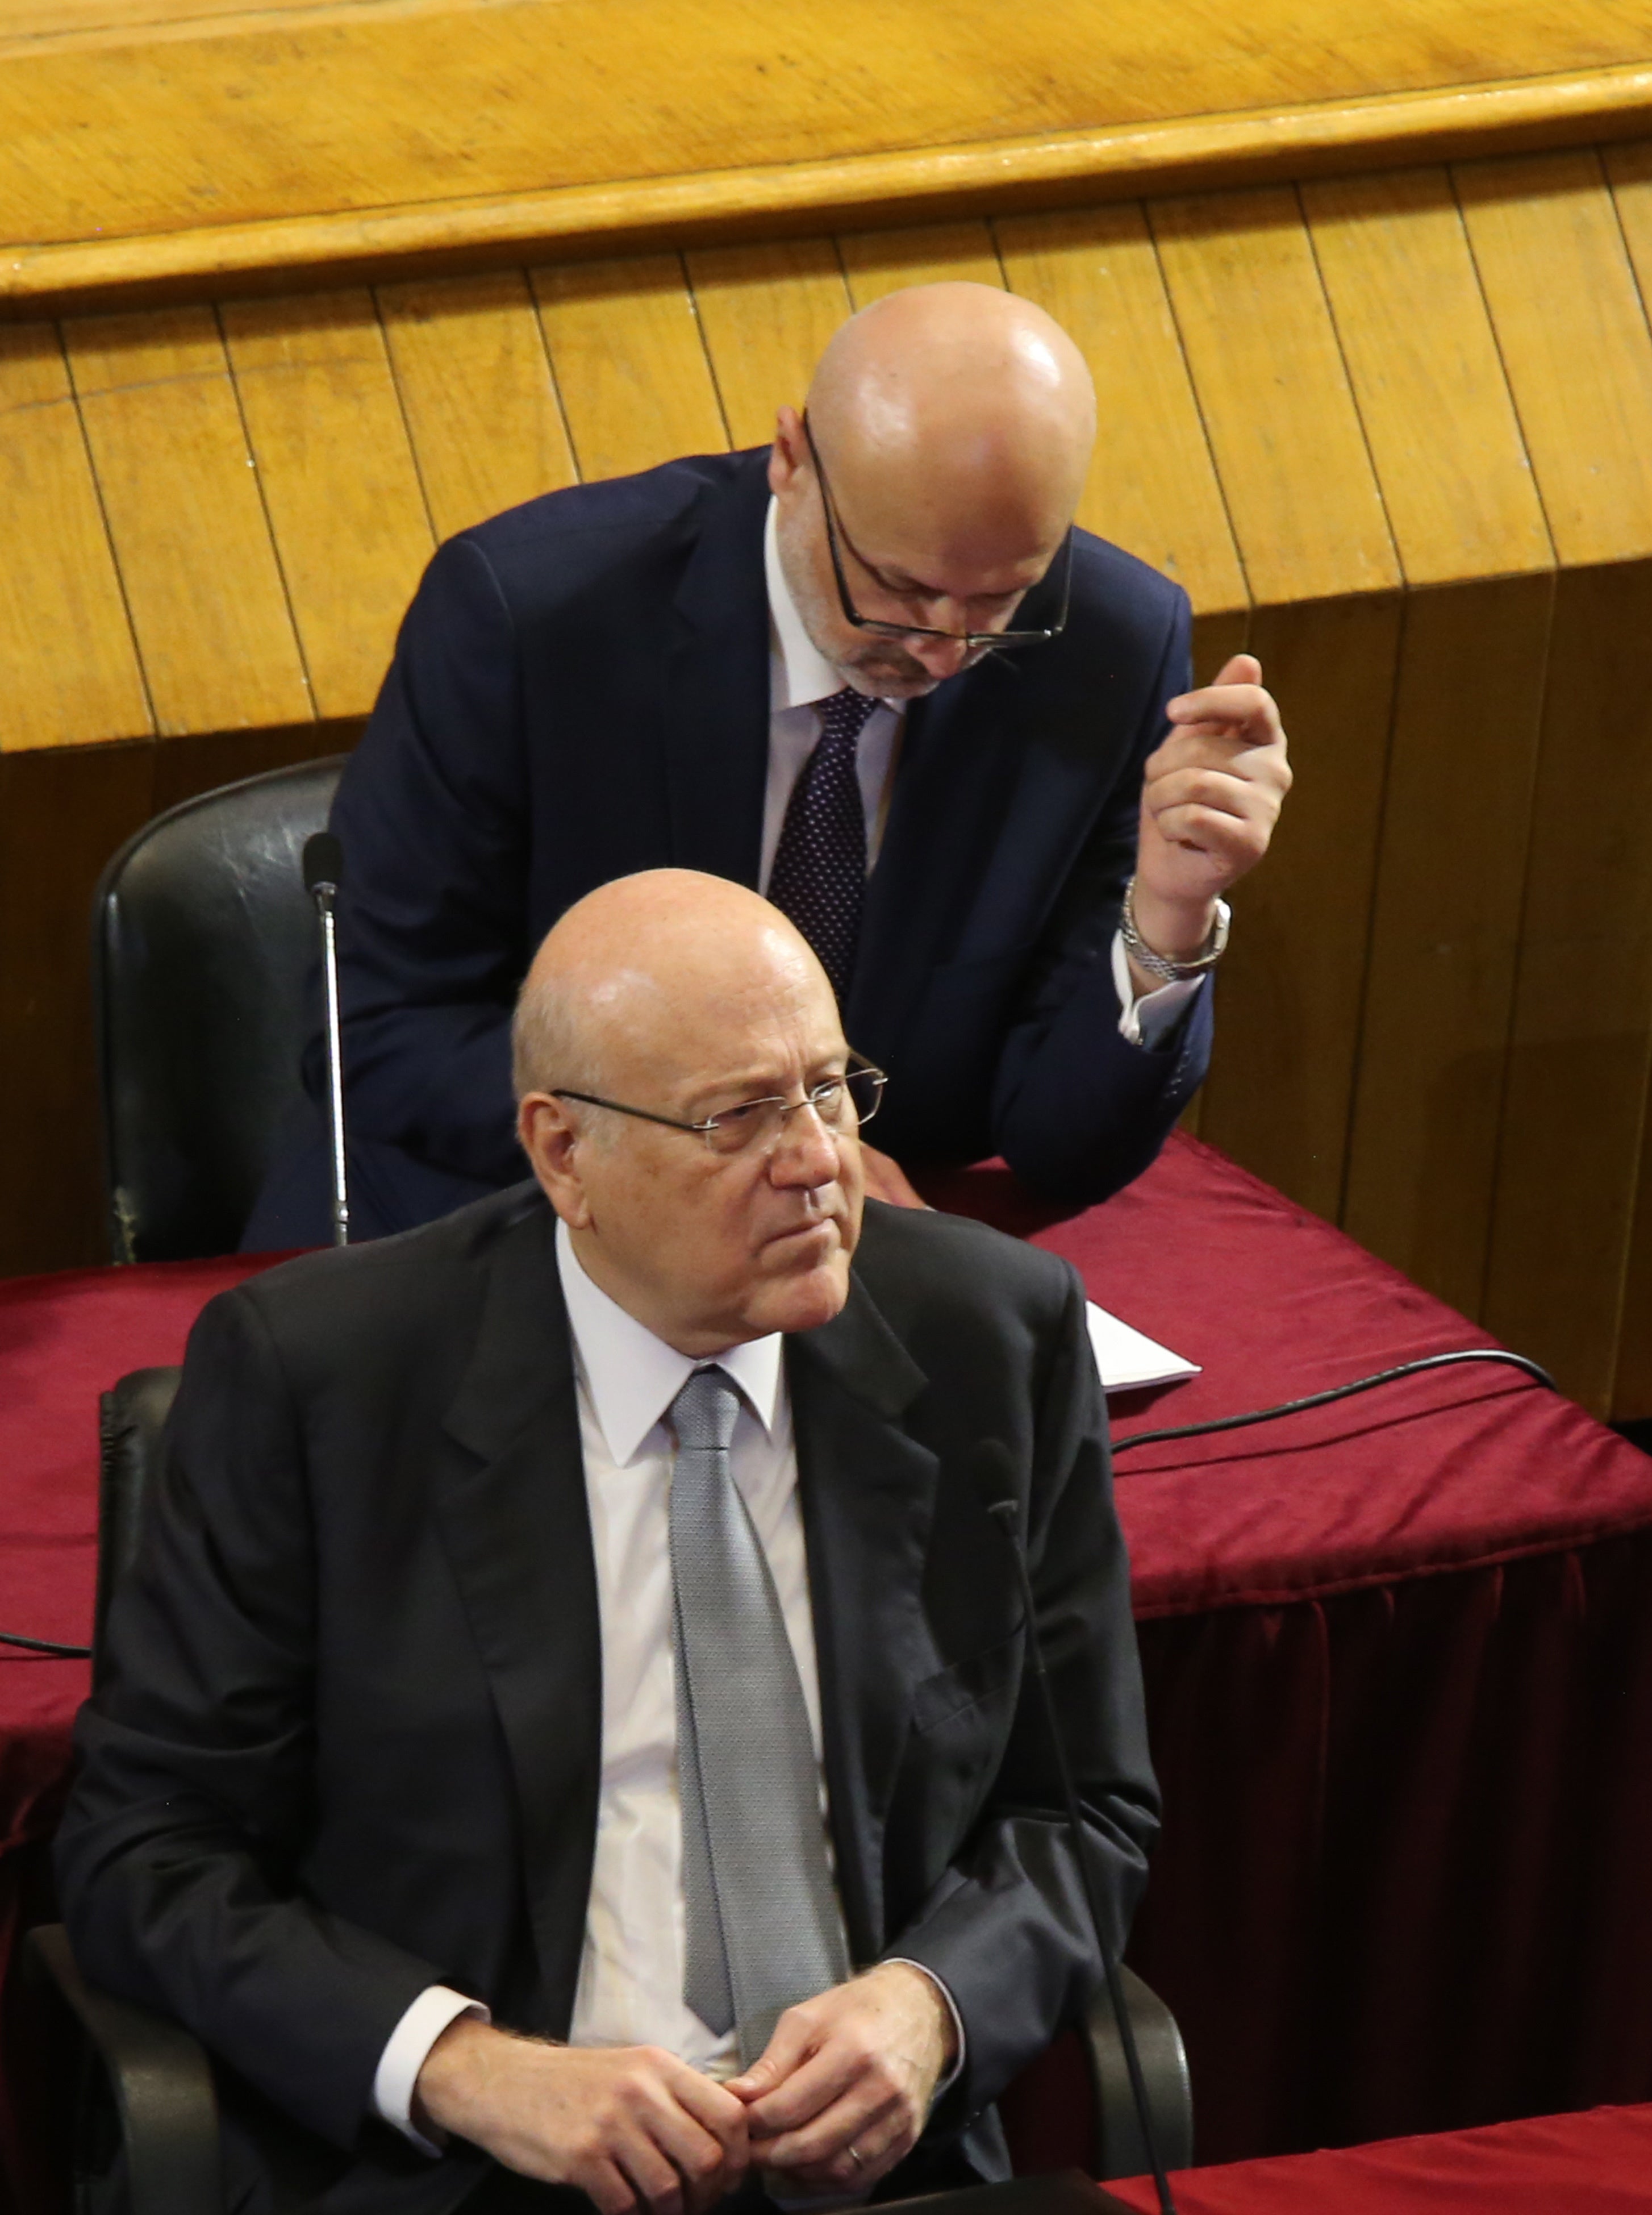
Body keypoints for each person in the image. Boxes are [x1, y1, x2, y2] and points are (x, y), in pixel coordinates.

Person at [63, 871, 1161, 2215]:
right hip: (466, 2170)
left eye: (828, 1087)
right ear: (564, 1151)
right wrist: (462, 2063)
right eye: (740, 1115)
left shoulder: (994, 1336)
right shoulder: (320, 1384)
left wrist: (930, 2008)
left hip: (875, 2173)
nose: (817, 1156)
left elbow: (1081, 1809)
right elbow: (146, 1849)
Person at [244, 280, 1291, 1249]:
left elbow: (1065, 1146)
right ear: (791, 460)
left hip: (853, 1277)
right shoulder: (532, 618)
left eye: (1000, 602)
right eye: (896, 586)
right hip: (505, 1229)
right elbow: (375, 1037)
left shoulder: (1105, 646)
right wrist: (744, 1148)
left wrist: (1168, 913)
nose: (941, 647)